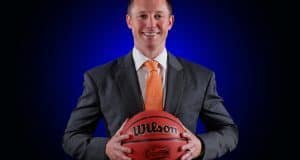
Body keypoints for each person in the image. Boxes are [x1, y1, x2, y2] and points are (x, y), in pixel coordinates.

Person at [62, 0, 238, 159]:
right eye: (142, 16)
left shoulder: (201, 77)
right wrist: (105, 149)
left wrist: (201, 145)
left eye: (158, 16)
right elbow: (72, 137)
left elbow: (229, 132)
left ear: (170, 22)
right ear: (129, 21)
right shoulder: (99, 78)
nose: (151, 24)